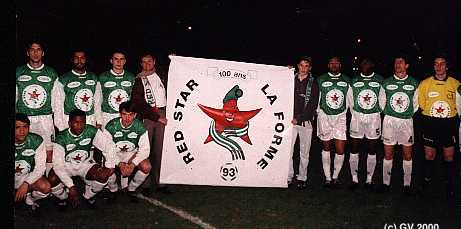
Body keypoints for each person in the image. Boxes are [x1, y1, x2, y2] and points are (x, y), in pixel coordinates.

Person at [48, 109, 116, 209]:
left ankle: (87, 196)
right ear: (69, 123)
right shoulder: (61, 138)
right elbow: (58, 166)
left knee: (103, 175)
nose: (80, 125)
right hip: (67, 165)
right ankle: (63, 198)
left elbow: (109, 145)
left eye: (83, 122)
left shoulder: (91, 130)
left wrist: (110, 165)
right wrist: (71, 187)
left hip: (85, 163)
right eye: (76, 122)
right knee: (52, 179)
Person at [418, 55, 460, 199]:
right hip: (430, 123)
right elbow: (422, 105)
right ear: (433, 66)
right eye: (436, 64)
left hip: (448, 124)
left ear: (447, 66)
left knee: (449, 156)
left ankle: (449, 182)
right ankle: (426, 180)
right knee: (429, 155)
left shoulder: (456, 84)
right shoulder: (424, 84)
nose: (439, 66)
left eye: (442, 64)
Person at [16, 40, 59, 175]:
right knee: (26, 151)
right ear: (28, 52)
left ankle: (48, 180)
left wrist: (56, 121)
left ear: (43, 52)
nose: (35, 53)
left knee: (48, 150)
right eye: (32, 49)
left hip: (44, 118)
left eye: (38, 49)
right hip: (24, 119)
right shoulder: (18, 71)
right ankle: (26, 183)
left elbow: (56, 100)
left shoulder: (51, 72)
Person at [378, 55, 418, 194]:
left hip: (406, 122)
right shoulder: (387, 82)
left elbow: (416, 104)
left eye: (401, 62)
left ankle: (407, 184)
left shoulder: (413, 82)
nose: (398, 65)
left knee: (407, 155)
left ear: (407, 65)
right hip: (390, 121)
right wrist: (390, 113)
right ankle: (385, 183)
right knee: (388, 154)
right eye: (396, 62)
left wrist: (406, 113)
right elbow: (381, 101)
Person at [131, 53, 169, 195]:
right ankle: (145, 184)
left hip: (163, 113)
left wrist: (175, 60)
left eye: (149, 61)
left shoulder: (162, 75)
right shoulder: (139, 79)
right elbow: (138, 103)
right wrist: (156, 117)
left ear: (154, 61)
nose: (146, 64)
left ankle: (161, 182)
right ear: (141, 64)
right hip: (147, 117)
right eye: (143, 62)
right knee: (145, 151)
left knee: (160, 151)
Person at [347, 58, 384, 191]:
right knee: (354, 148)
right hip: (357, 117)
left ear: (372, 65)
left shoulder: (380, 80)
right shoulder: (354, 80)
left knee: (372, 149)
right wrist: (357, 112)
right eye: (363, 63)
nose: (365, 65)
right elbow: (350, 100)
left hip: (373, 118)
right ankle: (354, 179)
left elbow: (383, 98)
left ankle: (369, 179)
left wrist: (376, 111)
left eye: (368, 63)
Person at [105, 100, 152, 201]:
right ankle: (113, 190)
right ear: (120, 114)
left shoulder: (140, 126)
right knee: (108, 170)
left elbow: (145, 150)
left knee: (146, 167)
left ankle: (131, 189)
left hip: (131, 154)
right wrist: (120, 164)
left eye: (130, 115)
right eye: (124, 114)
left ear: (135, 115)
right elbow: (107, 149)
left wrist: (132, 164)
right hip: (115, 154)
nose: (127, 118)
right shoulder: (111, 126)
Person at [316, 56, 351, 188]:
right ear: (328, 65)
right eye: (332, 63)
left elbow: (350, 99)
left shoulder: (347, 80)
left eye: (336, 63)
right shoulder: (321, 79)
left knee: (340, 149)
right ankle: (328, 178)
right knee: (326, 147)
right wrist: (319, 113)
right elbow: (316, 97)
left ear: (340, 65)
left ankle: (336, 177)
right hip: (325, 117)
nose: (334, 65)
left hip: (340, 117)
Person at [288, 56, 319, 189]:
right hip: (290, 122)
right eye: (301, 65)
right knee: (288, 151)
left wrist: (299, 119)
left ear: (310, 68)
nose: (303, 68)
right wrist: (285, 72)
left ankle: (302, 177)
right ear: (297, 66)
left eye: (306, 66)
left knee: (304, 152)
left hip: (305, 122)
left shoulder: (313, 83)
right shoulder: (290, 78)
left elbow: (313, 106)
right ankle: (289, 176)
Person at [53, 50, 102, 132]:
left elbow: (97, 101)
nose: (79, 60)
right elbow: (58, 104)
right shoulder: (63, 79)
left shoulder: (93, 77)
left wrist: (99, 121)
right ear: (72, 60)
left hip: (90, 120)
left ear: (86, 59)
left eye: (82, 58)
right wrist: (60, 126)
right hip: (70, 122)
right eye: (76, 58)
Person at [15, 113, 51, 215]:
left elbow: (40, 168)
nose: (22, 131)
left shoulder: (36, 140)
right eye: (17, 127)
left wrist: (26, 184)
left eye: (25, 127)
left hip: (26, 177)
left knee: (46, 187)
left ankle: (29, 199)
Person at [96, 51, 135, 129]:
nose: (118, 62)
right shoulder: (102, 77)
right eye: (116, 59)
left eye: (121, 59)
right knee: (107, 140)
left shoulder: (131, 77)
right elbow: (97, 100)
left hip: (126, 116)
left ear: (125, 61)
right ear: (111, 61)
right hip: (107, 115)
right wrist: (99, 120)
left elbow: (134, 99)